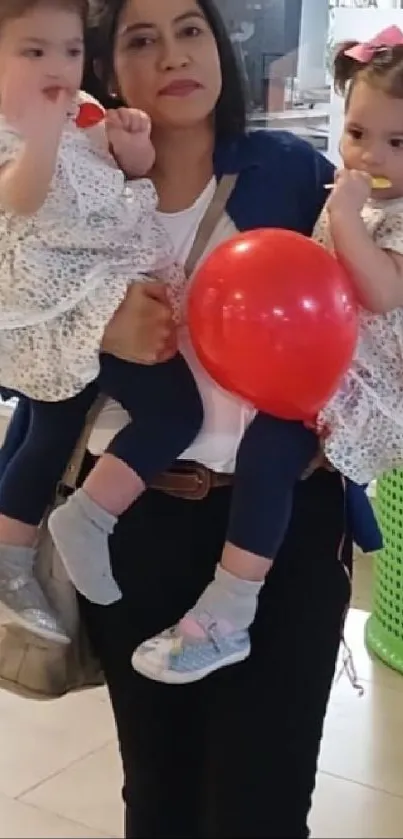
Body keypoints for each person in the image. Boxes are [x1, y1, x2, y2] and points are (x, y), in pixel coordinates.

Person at [0, 0, 382, 836]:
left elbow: (373, 295)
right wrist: (99, 319)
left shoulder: (290, 168)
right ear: (105, 69)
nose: (173, 53)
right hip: (132, 523)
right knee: (160, 793)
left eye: (190, 28)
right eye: (141, 38)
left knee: (267, 801)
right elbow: (11, 313)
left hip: (285, 525)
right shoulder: (70, 184)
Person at [131, 23, 403, 684]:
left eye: (397, 142)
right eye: (357, 133)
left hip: (358, 386)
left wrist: (341, 215)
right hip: (317, 371)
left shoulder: (376, 211)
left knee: (267, 455)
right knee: (266, 452)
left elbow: (381, 289)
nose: (368, 156)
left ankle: (229, 607)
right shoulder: (357, 197)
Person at [0, 0, 203, 644]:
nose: (58, 67)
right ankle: (79, 523)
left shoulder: (79, 109)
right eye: (34, 52)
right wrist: (42, 133)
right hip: (68, 299)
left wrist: (130, 143)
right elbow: (23, 199)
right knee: (171, 412)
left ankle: (9, 552)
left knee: (51, 414)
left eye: (68, 51)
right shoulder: (14, 128)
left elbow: (127, 178)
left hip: (96, 287)